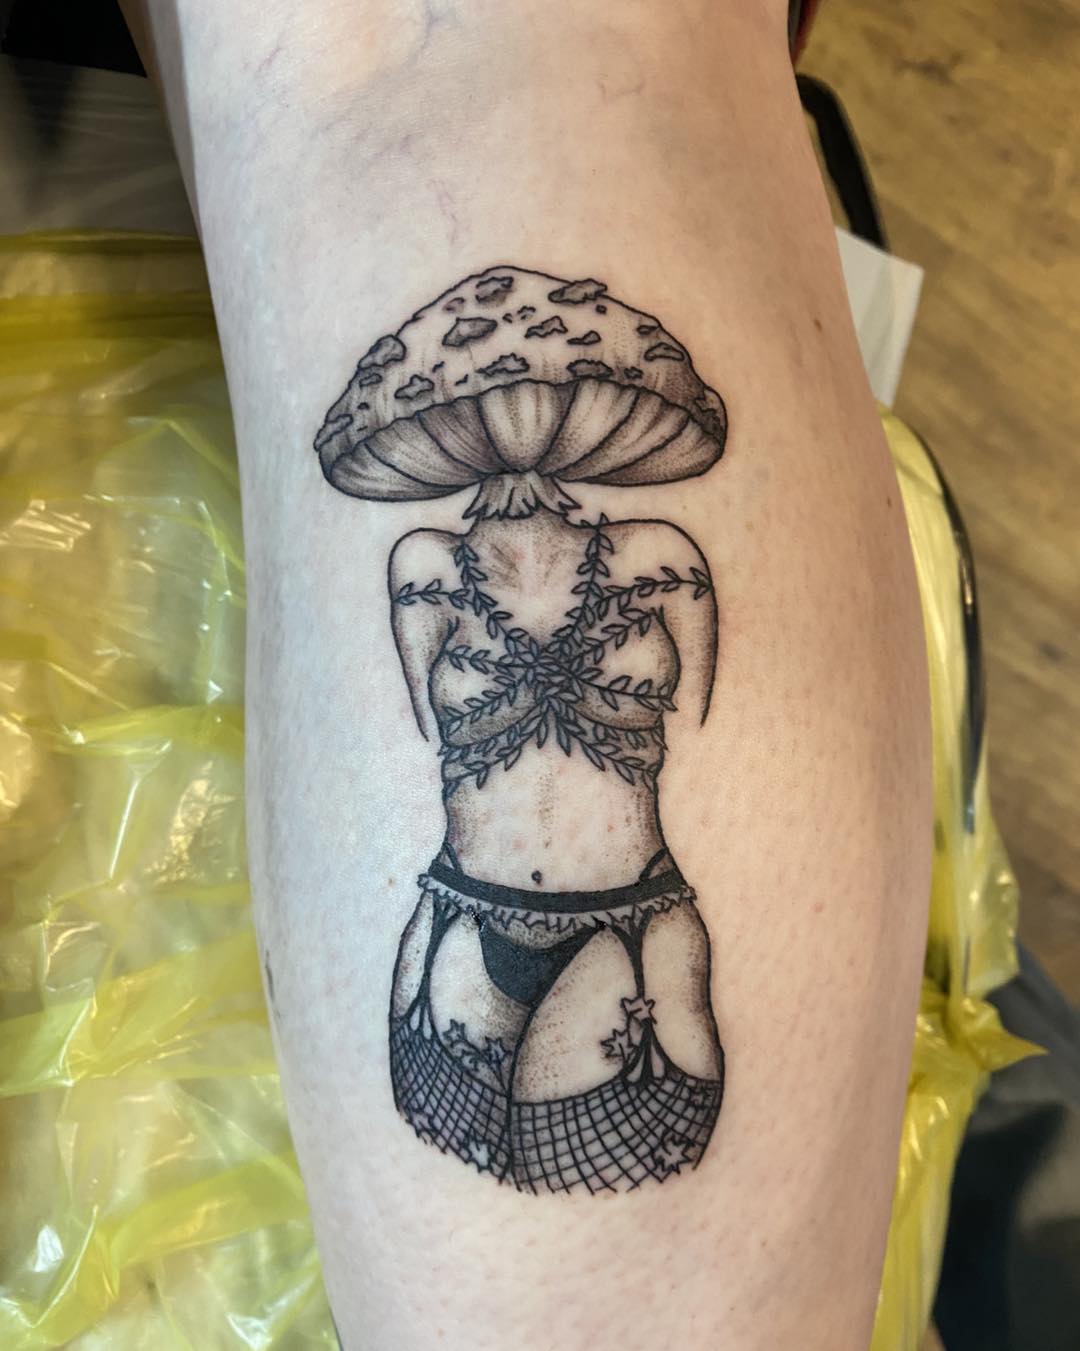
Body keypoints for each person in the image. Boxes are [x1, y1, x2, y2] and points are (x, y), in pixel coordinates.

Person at [119, 3, 932, 1346]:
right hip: (467, 919)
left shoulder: (642, 562)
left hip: (624, 930)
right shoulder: (441, 573)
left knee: (534, 57)